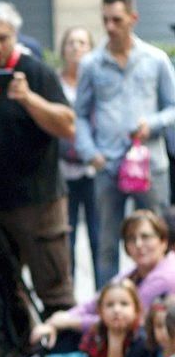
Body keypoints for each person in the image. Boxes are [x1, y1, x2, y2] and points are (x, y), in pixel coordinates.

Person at [0, 209, 175, 357]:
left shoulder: (165, 276)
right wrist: (58, 321)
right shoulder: (132, 273)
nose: (139, 245)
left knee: (68, 348)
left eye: (146, 237)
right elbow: (95, 304)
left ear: (163, 241)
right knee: (59, 338)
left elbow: (126, 319)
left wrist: (69, 322)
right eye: (132, 239)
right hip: (111, 347)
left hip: (137, 355)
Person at [0, 0, 76, 342]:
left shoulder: (34, 71)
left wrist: (28, 98)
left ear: (15, 35)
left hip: (38, 202)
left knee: (52, 286)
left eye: (3, 38)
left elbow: (67, 125)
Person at [75, 0, 175, 287]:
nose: (110, 27)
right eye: (105, 20)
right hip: (108, 164)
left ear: (133, 18)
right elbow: (79, 113)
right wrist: (89, 152)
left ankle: (160, 300)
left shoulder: (155, 59)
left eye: (117, 20)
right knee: (107, 242)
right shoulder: (91, 64)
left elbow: (172, 107)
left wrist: (152, 123)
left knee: (158, 236)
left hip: (149, 164)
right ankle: (108, 306)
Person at [58, 26, 98, 285]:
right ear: (63, 49)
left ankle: (104, 293)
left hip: (93, 168)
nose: (76, 48)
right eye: (71, 42)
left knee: (98, 235)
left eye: (82, 43)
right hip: (63, 170)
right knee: (66, 235)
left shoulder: (98, 80)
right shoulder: (55, 82)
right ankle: (69, 292)